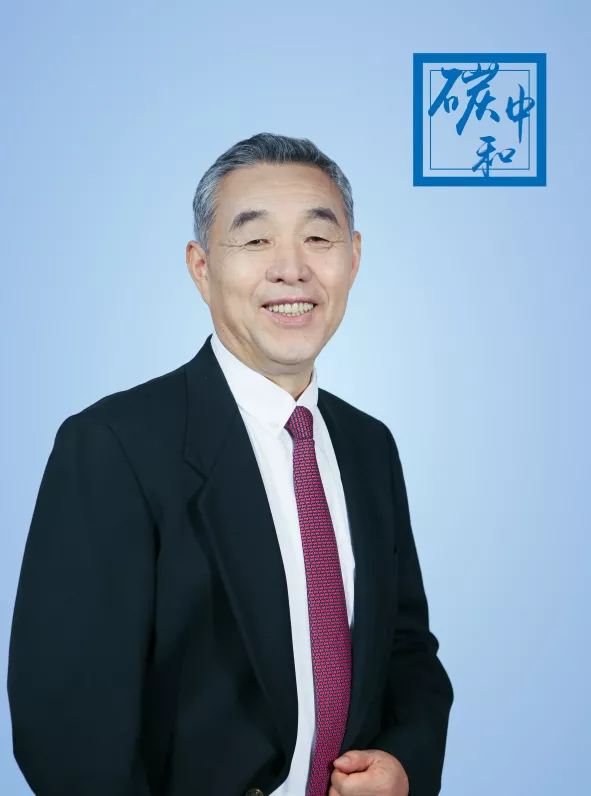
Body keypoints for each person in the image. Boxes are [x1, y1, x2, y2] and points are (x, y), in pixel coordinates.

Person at [7, 132, 454, 796]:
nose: (291, 269)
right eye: (255, 240)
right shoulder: (113, 446)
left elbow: (406, 649)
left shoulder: (368, 447)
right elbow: (65, 728)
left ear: (354, 258)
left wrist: (403, 765)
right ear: (201, 267)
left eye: (318, 238)